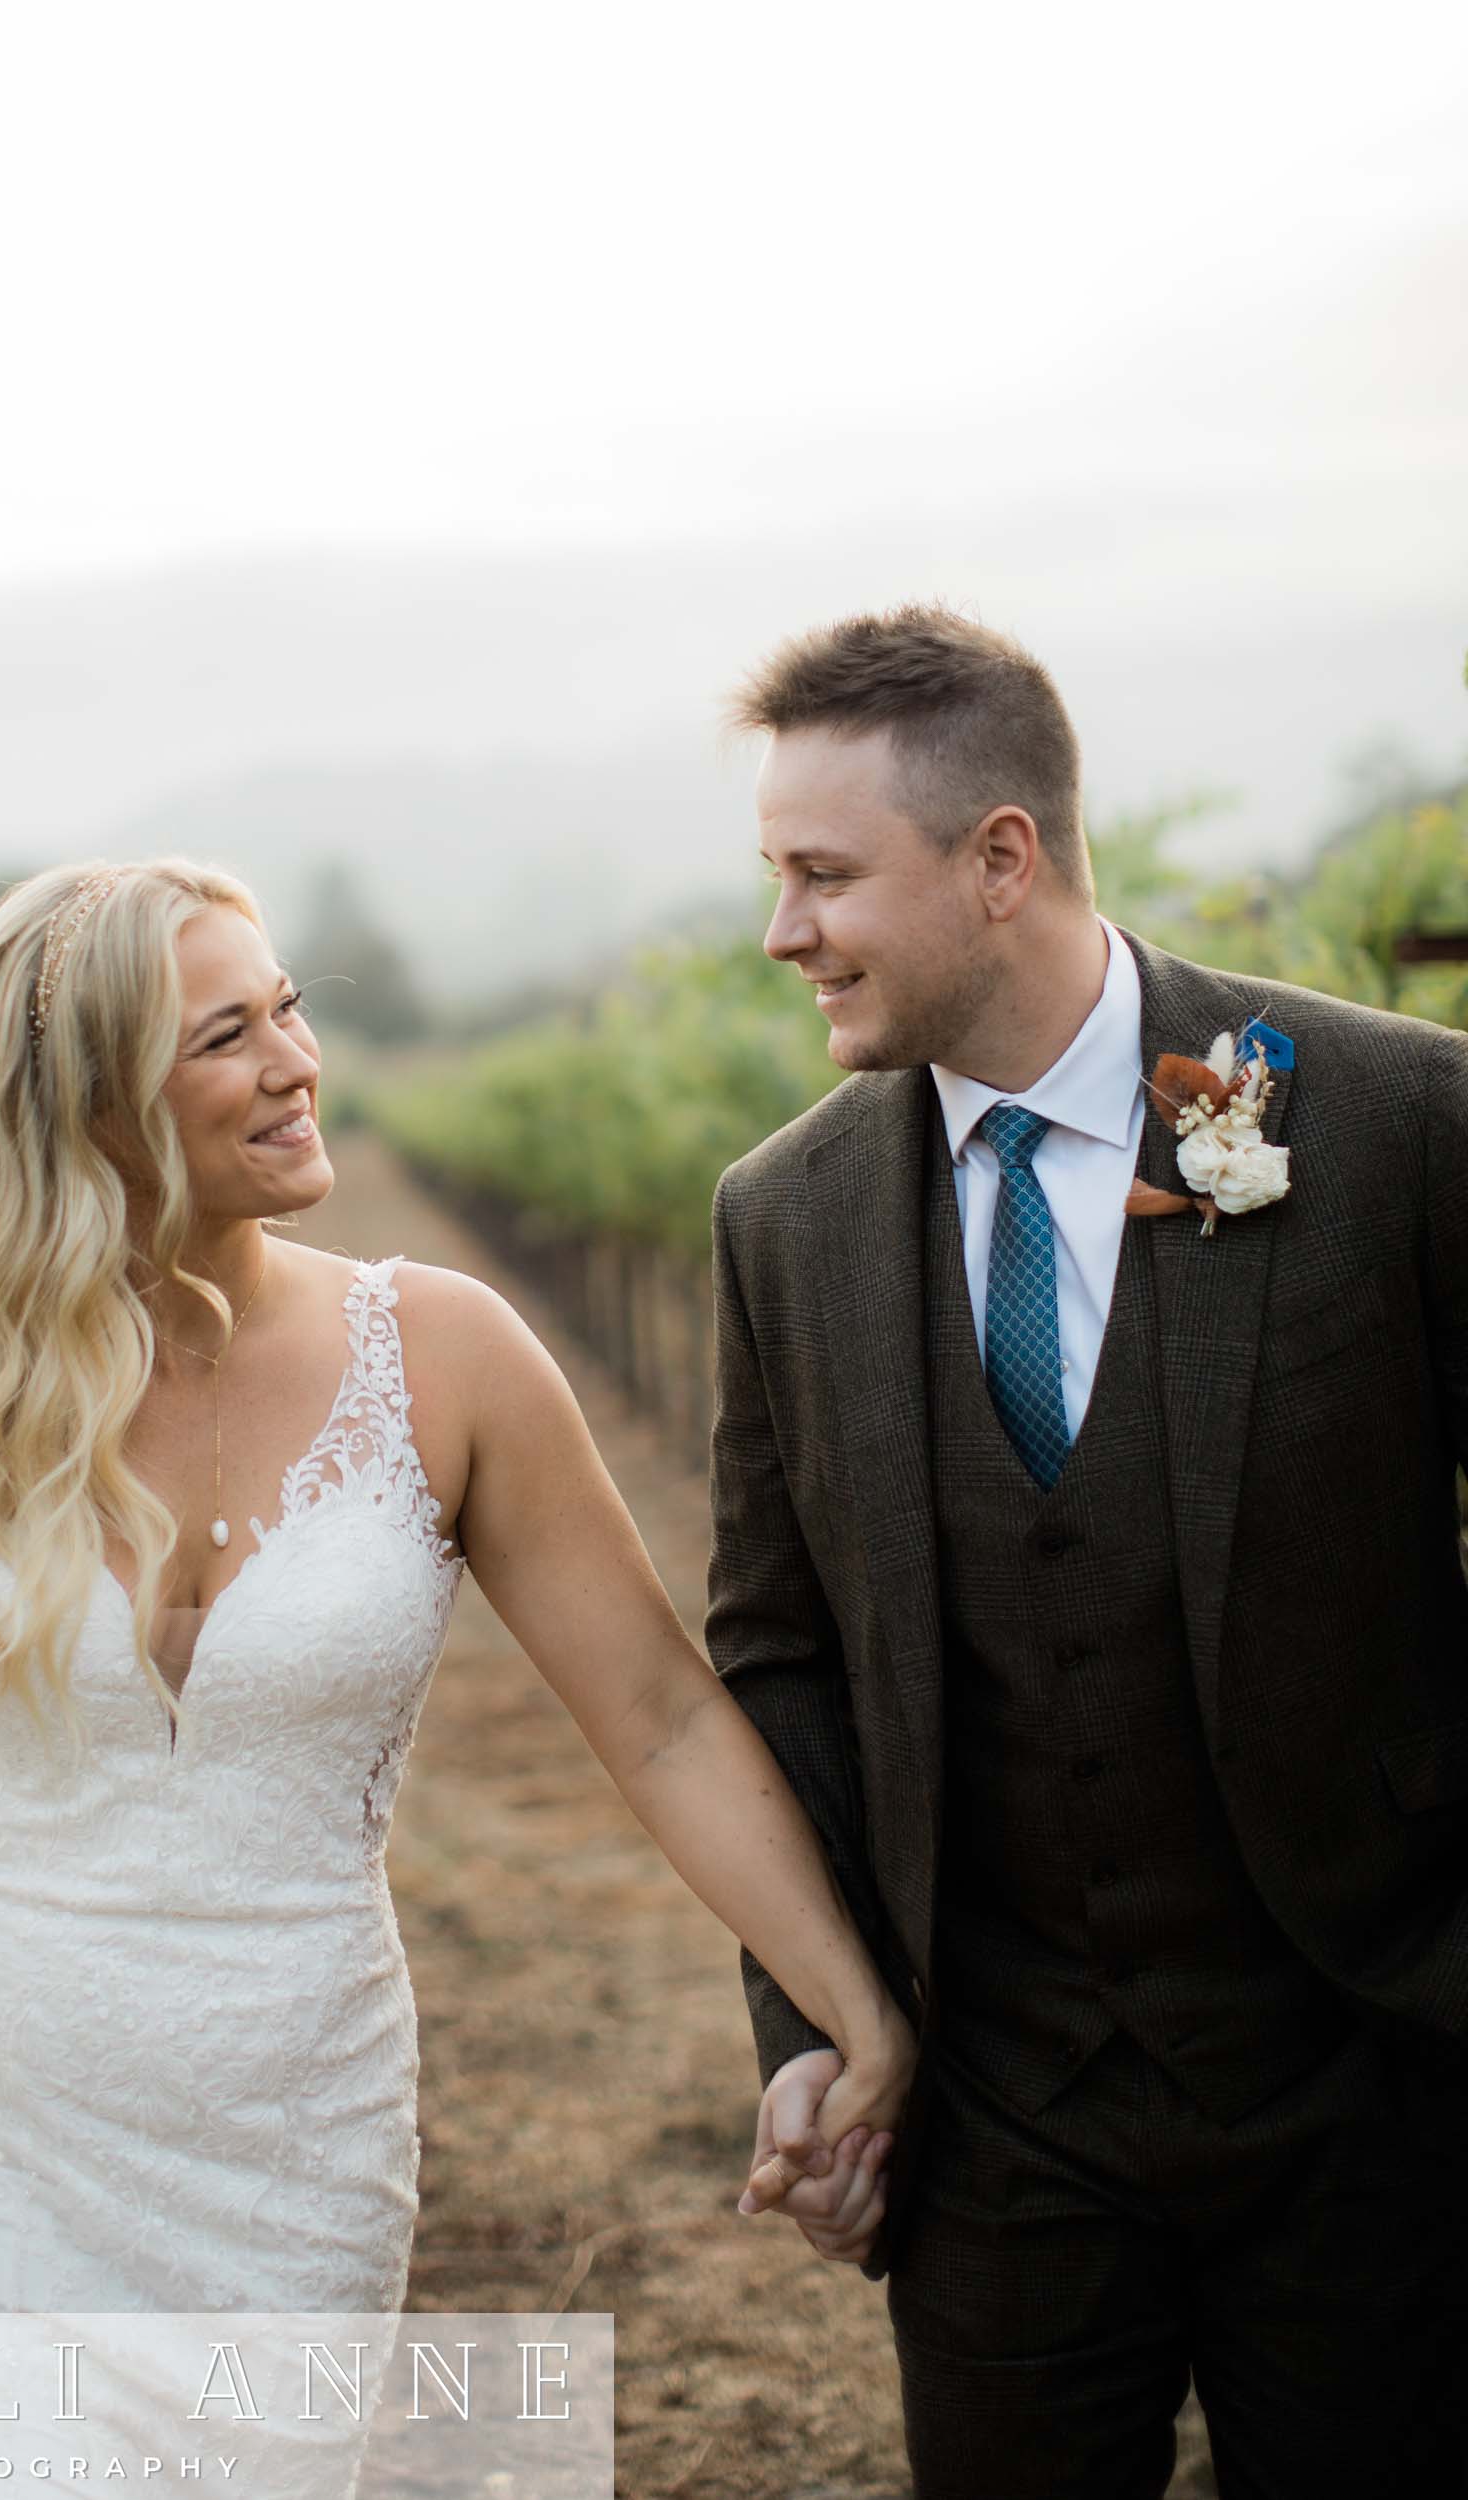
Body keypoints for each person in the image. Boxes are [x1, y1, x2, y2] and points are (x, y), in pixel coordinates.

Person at [0, 854, 914, 2318]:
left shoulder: (447, 1357)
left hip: (296, 2136)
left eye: (287, 1010)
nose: (297, 1064)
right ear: (87, 1109)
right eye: (224, 1037)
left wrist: (850, 2001)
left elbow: (662, 1721)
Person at [713, 604, 1468, 2497]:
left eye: (822, 874)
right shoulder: (780, 1221)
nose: (781, 929)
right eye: (773, 876)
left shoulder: (1396, 1125)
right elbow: (776, 1655)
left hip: (1374, 2091)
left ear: (1000, 861)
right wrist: (819, 2023)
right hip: (994, 2126)